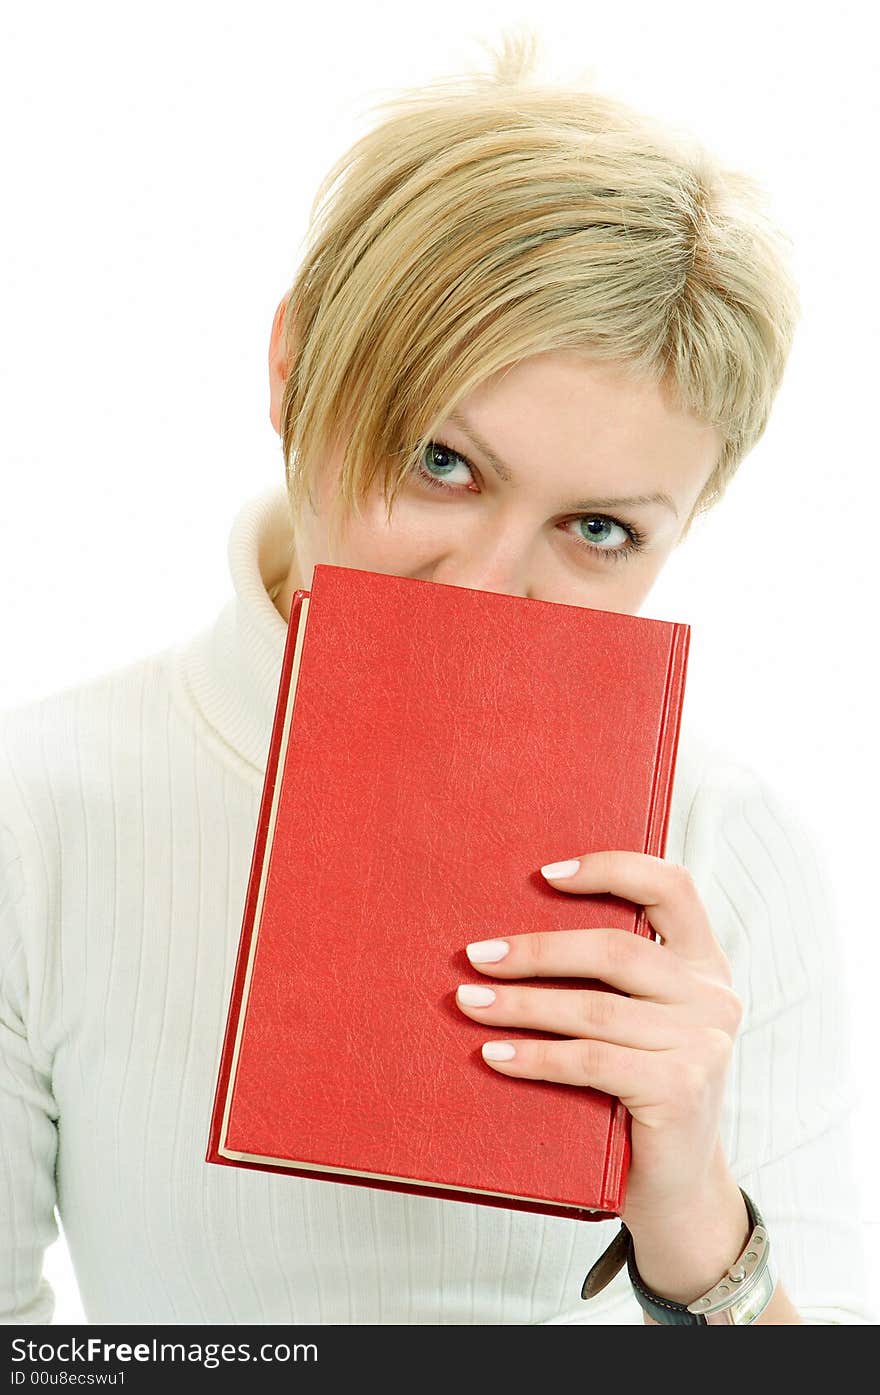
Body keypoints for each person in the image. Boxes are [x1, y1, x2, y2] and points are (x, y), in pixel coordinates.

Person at [0, 31, 872, 1326]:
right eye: (441, 460)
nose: (484, 589)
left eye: (599, 530)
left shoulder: (728, 850)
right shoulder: (39, 811)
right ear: (297, 370)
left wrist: (694, 1219)